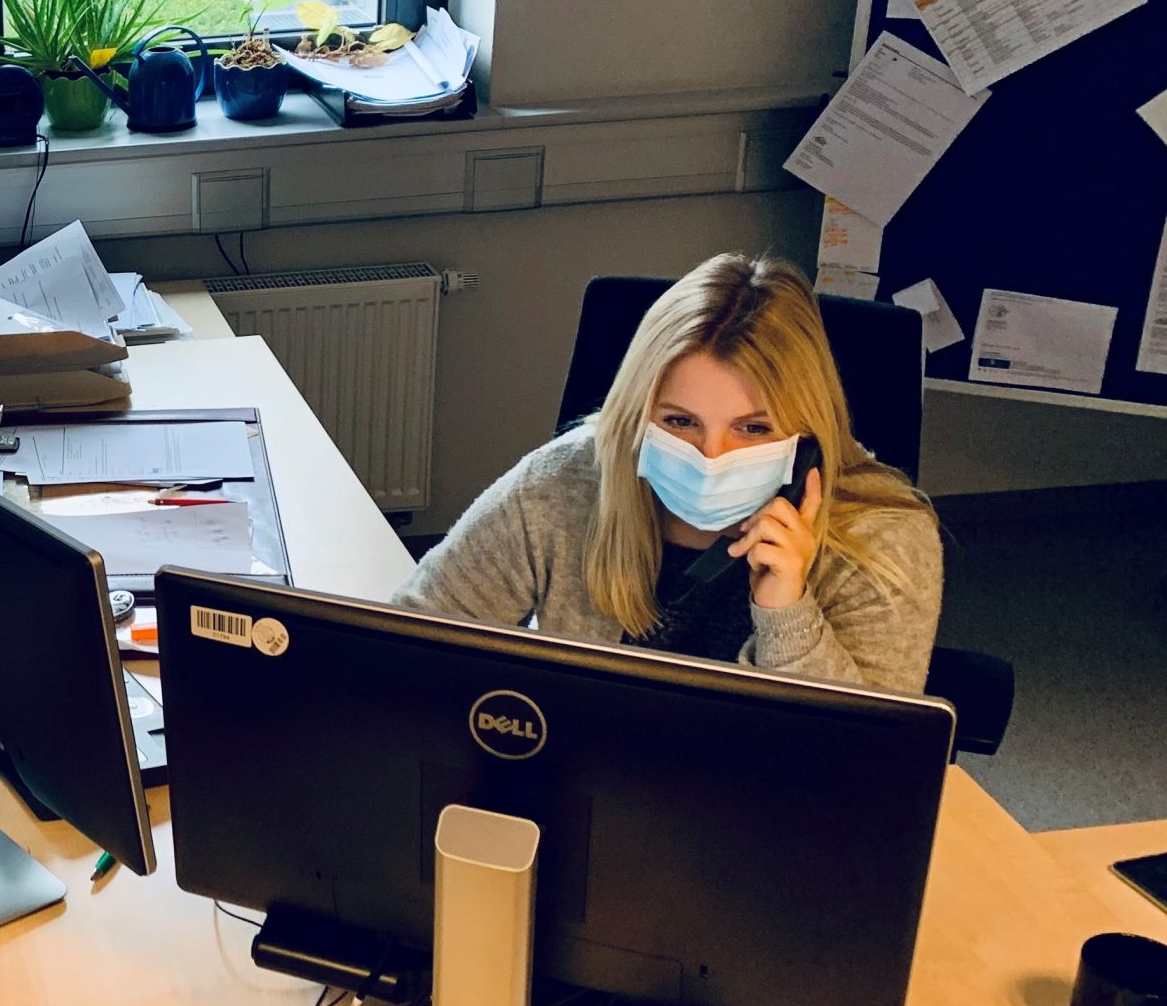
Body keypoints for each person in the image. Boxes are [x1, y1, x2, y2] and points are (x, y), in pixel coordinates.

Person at [395, 253, 942, 693]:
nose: (711, 456)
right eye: (680, 422)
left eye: (753, 429)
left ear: (806, 434)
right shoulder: (567, 480)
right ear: (636, 416)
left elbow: (868, 769)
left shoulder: (885, 540)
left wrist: (787, 613)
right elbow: (409, 641)